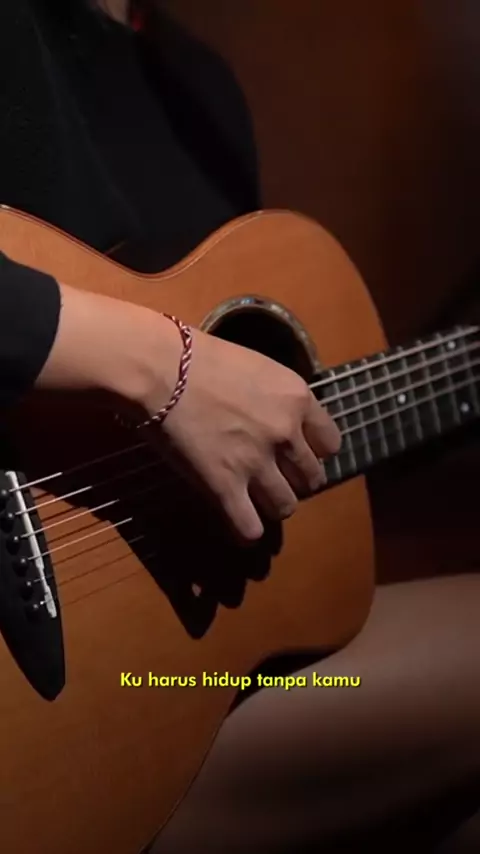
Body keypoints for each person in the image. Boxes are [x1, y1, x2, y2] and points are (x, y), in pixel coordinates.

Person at [0, 2, 478, 852]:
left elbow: (246, 440)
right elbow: (189, 387)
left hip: (169, 687)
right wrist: (169, 371)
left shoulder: (198, 90)